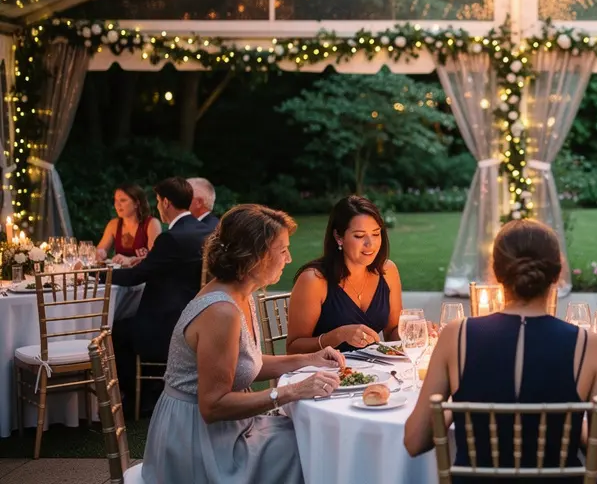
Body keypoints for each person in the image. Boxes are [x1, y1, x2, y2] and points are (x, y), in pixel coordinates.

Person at [404, 219, 597, 482]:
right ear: (557, 273)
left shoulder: (455, 335)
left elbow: (414, 441)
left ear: (496, 272)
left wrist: (459, 408)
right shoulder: (589, 345)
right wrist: (569, 426)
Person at [141, 204, 346, 483]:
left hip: (228, 429)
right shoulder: (221, 311)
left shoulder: (241, 294)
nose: (289, 259)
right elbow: (212, 406)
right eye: (283, 250)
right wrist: (292, 391)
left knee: (313, 438)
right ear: (256, 256)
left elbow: (246, 364)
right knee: (314, 449)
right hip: (199, 443)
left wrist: (310, 359)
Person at [111, 177, 213, 411]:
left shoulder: (170, 237)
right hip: (193, 314)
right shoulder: (203, 231)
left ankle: (140, 398)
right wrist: (148, 260)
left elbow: (135, 278)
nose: (158, 206)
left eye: (158, 201)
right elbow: (173, 264)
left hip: (166, 322)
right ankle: (152, 388)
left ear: (166, 202)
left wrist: (95, 275)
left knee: (115, 330)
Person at [286, 195, 403, 354]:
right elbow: (293, 349)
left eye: (376, 234)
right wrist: (337, 336)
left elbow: (392, 333)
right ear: (338, 237)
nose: (370, 244)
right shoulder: (313, 280)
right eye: (359, 236)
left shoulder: (388, 271)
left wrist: (415, 332)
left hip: (372, 373)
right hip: (324, 373)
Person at [96, 184, 162, 267]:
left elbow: (156, 257)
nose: (117, 205)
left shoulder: (151, 223)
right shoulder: (113, 224)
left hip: (143, 276)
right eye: (116, 200)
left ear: (136, 203)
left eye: (123, 200)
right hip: (120, 274)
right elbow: (101, 250)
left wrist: (130, 260)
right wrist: (100, 253)